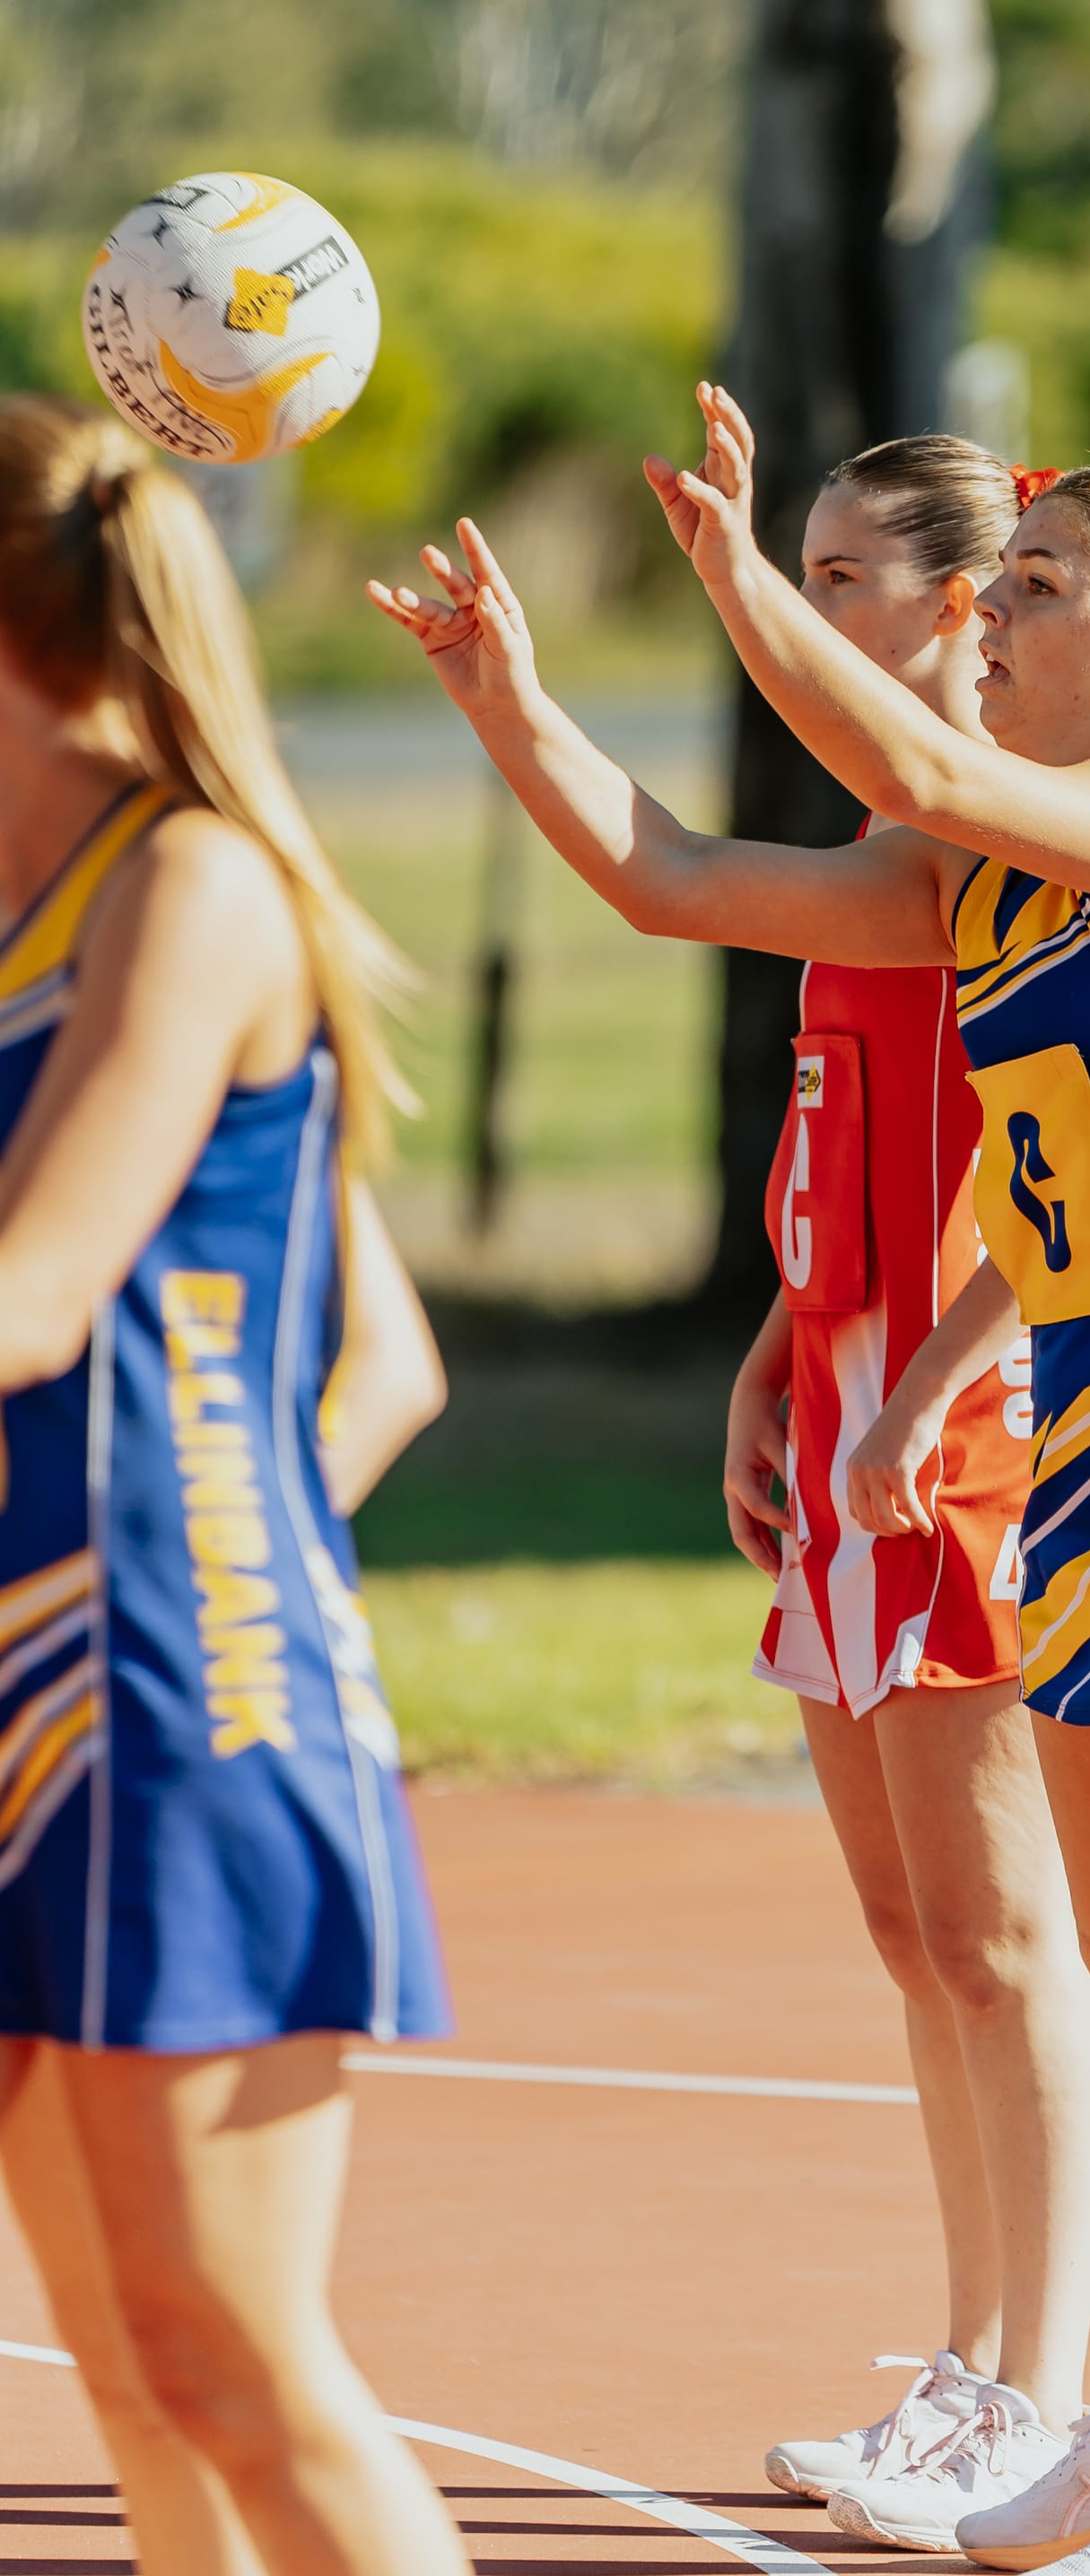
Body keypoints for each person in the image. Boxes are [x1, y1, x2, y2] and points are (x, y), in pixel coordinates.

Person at [376, 379, 1090, 2576]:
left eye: (1034, 590)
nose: (992, 617)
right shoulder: (990, 887)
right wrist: (509, 702)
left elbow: (918, 754)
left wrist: (745, 574)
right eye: (1000, 583)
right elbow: (675, 884)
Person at [371, 434, 1090, 2554]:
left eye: (835, 571)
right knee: (913, 1939)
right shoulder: (884, 857)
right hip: (849, 1424)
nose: (802, 597)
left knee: (995, 1940)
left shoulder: (989, 870)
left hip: (969, 1447)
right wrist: (777, 1358)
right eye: (792, 564)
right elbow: (691, 910)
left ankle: (1031, 2392)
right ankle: (970, 2371)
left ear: (960, 612)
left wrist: (704, 595)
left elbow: (1029, 1197)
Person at [0, 396, 469, 2576]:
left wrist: (218, 1560)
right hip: (56, 1682)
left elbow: (29, 1301)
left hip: (169, 1692)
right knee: (122, 2358)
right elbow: (383, 1351)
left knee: (229, 2355)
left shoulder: (183, 882)